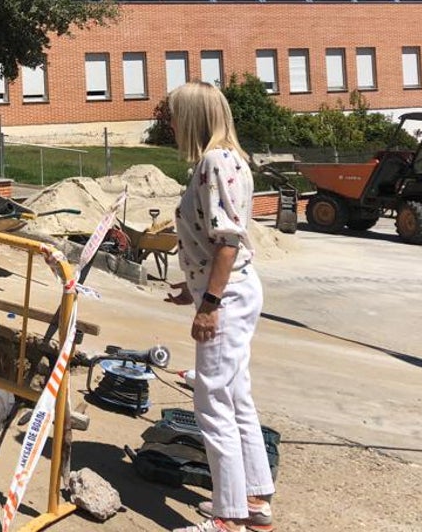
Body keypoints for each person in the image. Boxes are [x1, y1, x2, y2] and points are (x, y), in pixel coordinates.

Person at [164, 82, 275, 532]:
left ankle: (227, 517)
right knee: (235, 394)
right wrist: (193, 288)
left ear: (193, 117)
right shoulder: (232, 160)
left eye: (175, 115)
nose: (171, 124)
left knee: (212, 401)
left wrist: (208, 303)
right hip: (232, 289)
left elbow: (228, 242)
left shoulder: (214, 161)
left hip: (226, 296)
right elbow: (215, 244)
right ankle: (254, 499)